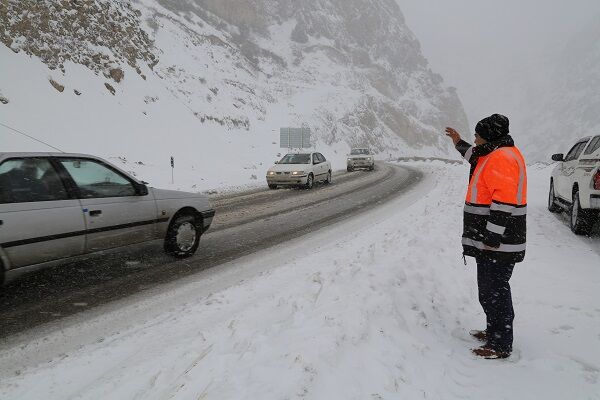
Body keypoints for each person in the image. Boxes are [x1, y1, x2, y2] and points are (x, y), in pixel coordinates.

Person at [445, 114, 527, 359]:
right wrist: (459, 143)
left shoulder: (502, 158)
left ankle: (500, 344)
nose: (475, 138)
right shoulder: (494, 152)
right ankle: (494, 331)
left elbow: (503, 202)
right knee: (489, 290)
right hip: (495, 240)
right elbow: (475, 157)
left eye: (477, 135)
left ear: (489, 136)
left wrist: (492, 237)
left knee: (495, 291)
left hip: (500, 241)